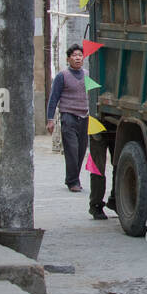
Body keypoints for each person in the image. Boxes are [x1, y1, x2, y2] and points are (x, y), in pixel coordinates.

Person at [46, 44, 97, 213]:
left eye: (80, 55)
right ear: (68, 59)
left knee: (82, 150)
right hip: (68, 117)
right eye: (74, 55)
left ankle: (71, 178)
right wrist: (50, 119)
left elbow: (93, 95)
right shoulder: (62, 76)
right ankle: (73, 181)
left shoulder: (87, 75)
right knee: (72, 150)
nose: (77, 58)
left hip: (84, 117)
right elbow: (53, 98)